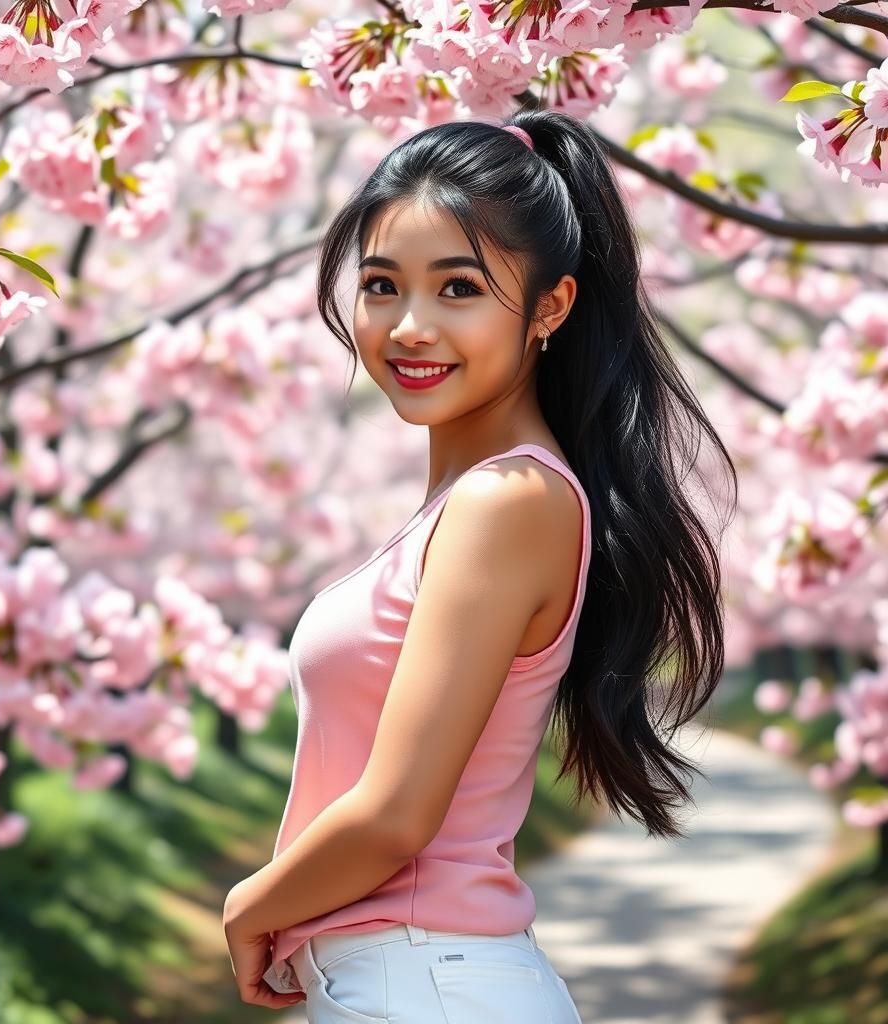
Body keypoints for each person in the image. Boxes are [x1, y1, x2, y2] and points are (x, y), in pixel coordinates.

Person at [221, 110, 737, 1023]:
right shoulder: (474, 506)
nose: (408, 327)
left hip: (425, 983)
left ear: (551, 306)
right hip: (412, 981)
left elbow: (395, 815)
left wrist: (247, 908)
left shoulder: (507, 505)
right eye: (382, 286)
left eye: (458, 288)